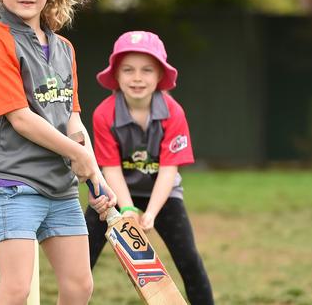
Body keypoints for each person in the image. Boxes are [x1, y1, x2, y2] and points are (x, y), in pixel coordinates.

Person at [0, 0, 117, 304]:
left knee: (79, 286)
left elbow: (73, 121)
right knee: (17, 289)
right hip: (14, 183)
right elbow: (22, 119)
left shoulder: (64, 49)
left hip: (60, 187)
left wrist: (96, 175)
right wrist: (77, 156)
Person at [86, 30, 215, 304]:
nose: (137, 78)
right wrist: (128, 209)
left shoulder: (174, 112)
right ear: (116, 75)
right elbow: (110, 169)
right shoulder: (103, 113)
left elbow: (170, 170)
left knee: (189, 260)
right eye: (128, 70)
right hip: (115, 193)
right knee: (81, 259)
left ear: (159, 76)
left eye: (147, 70)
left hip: (162, 192)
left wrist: (152, 213)